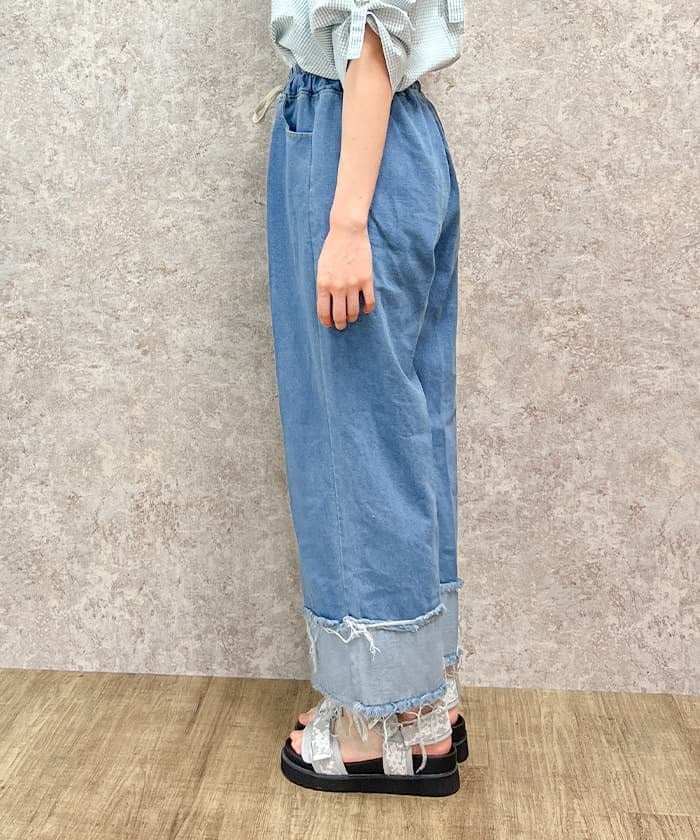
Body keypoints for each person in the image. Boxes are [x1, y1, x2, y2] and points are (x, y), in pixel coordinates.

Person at [252, 0, 468, 797]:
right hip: (390, 141)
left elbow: (369, 38)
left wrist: (346, 226)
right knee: (406, 428)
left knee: (356, 440)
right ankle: (425, 695)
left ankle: (385, 723)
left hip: (352, 154)